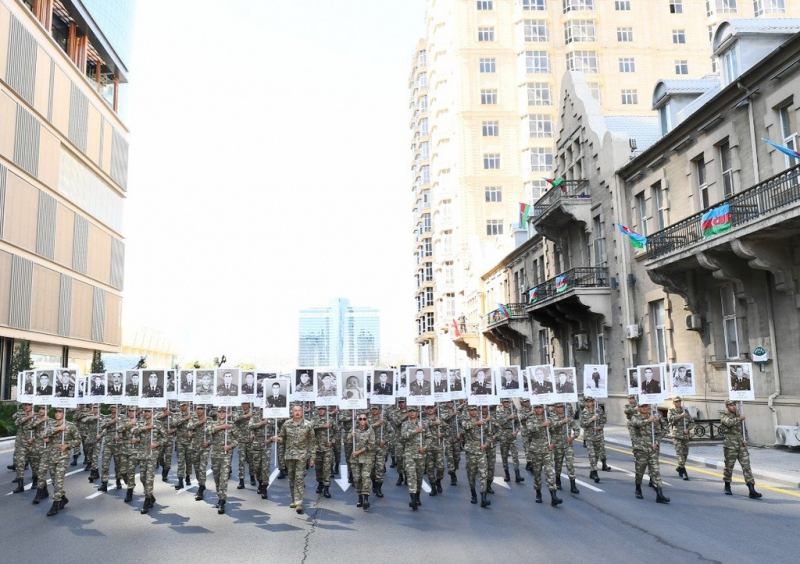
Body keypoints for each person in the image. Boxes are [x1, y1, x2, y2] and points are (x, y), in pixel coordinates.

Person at [41, 406, 81, 516]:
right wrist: (58, 429)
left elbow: (78, 440)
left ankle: (55, 505)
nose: (57, 414)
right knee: (54, 481)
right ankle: (63, 498)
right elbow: (43, 435)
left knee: (58, 481)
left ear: (64, 413)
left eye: (60, 412)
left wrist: (68, 445)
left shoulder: (71, 426)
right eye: (56, 412)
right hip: (51, 456)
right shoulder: (51, 424)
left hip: (63, 457)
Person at [276, 405, 316, 514]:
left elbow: (312, 442)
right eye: (295, 411)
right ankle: (293, 499)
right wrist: (278, 439)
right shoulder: (287, 424)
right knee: (291, 478)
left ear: (302, 412)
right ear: (292, 412)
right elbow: (282, 437)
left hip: (301, 456)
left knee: (299, 478)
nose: (297, 412)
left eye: (299, 411)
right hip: (289, 455)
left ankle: (299, 502)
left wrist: (312, 457)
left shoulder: (308, 424)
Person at [628, 403, 669, 503]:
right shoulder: (635, 417)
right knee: (640, 471)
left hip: (653, 449)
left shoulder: (655, 416)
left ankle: (659, 494)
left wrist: (657, 441)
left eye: (647, 406)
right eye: (643, 406)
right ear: (639, 408)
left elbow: (663, 430)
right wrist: (648, 421)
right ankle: (638, 488)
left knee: (655, 471)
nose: (646, 408)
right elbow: (638, 424)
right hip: (641, 449)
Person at [720, 399, 762, 499]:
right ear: (727, 406)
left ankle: (751, 489)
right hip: (730, 446)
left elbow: (744, 429)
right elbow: (729, 423)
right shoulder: (724, 415)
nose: (734, 406)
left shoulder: (740, 415)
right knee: (729, 467)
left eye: (734, 404)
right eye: (731, 405)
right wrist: (740, 418)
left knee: (746, 466)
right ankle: (727, 486)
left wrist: (745, 439)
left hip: (741, 446)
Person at [525, 404, 562, 507]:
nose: (538, 409)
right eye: (536, 408)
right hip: (536, 450)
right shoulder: (531, 418)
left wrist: (553, 443)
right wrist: (542, 425)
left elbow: (555, 433)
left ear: (543, 408)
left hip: (547, 449)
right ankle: (538, 493)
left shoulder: (548, 418)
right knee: (537, 474)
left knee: (550, 473)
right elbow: (530, 429)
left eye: (540, 407)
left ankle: (554, 497)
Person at [133, 408, 166, 514]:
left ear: (152, 412)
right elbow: (133, 431)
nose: (146, 413)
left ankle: (146, 501)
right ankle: (151, 496)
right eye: (145, 411)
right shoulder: (140, 422)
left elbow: (165, 438)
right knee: (142, 478)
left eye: (148, 411)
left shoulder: (158, 423)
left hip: (152, 455)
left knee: (149, 479)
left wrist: (157, 444)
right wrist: (147, 427)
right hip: (142, 454)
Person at [206, 406, 236, 514]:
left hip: (226, 455)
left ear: (227, 413)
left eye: (224, 411)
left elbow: (238, 439)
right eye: (220, 412)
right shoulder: (213, 423)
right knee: (217, 478)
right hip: (215, 455)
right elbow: (207, 431)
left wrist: (230, 446)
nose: (222, 413)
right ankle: (220, 496)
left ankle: (222, 501)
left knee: (224, 478)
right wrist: (222, 427)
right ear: (217, 413)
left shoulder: (231, 425)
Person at [461, 405, 490, 507]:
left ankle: (483, 497)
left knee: (483, 474)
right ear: (468, 411)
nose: (473, 412)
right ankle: (473, 493)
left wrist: (486, 443)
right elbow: (465, 427)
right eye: (471, 410)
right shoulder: (466, 420)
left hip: (481, 450)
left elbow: (489, 434)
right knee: (471, 474)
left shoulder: (482, 420)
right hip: (470, 451)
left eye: (475, 410)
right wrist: (477, 423)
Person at [549, 404, 580, 494]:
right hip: (557, 445)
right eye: (558, 407)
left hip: (567, 445)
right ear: (555, 408)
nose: (559, 409)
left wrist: (573, 437)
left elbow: (577, 429)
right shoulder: (552, 418)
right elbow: (551, 428)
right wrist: (562, 422)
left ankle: (573, 485)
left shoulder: (569, 418)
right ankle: (558, 480)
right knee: (558, 465)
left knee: (570, 464)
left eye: (561, 407)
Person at [401, 406, 426, 510]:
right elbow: (403, 436)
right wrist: (415, 431)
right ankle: (413, 499)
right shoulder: (405, 424)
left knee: (419, 477)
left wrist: (425, 447)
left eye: (414, 411)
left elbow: (429, 437)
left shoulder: (423, 423)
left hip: (421, 454)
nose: (412, 413)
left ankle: (417, 496)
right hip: (409, 453)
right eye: (410, 411)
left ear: (417, 412)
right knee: (411, 476)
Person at [248, 405, 275, 500]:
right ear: (260, 410)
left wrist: (271, 439)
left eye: (265, 409)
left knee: (265, 467)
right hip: (256, 446)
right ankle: (259, 482)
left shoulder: (272, 419)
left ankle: (264, 487)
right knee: (257, 467)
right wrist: (261, 423)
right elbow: (250, 426)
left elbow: (277, 433)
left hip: (266, 446)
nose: (263, 411)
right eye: (262, 409)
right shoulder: (255, 418)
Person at [580, 397, 609, 482]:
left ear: (593, 402)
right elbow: (582, 424)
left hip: (598, 436)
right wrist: (591, 419)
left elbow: (604, 420)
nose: (588, 403)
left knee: (596, 455)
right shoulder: (584, 412)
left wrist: (599, 427)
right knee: (592, 455)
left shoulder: (598, 410)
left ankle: (592, 472)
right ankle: (595, 473)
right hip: (589, 437)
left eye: (590, 401)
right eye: (587, 402)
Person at [351, 412, 376, 510]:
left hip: (366, 458)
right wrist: (350, 436)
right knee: (357, 479)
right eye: (360, 419)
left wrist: (360, 451)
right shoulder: (353, 429)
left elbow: (372, 445)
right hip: (355, 459)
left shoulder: (370, 430)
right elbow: (347, 441)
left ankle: (366, 498)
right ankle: (360, 497)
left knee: (365, 477)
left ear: (367, 420)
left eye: (364, 419)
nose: (362, 421)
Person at [667, 396, 695, 480]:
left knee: (685, 453)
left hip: (685, 435)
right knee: (680, 454)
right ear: (673, 403)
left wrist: (688, 429)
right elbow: (670, 419)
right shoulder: (671, 411)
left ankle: (680, 467)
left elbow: (692, 422)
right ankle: (684, 472)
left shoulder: (685, 411)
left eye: (679, 401)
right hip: (676, 435)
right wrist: (680, 416)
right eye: (676, 402)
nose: (678, 403)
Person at [496, 398, 524, 483]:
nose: (507, 403)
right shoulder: (499, 412)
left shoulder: (513, 411)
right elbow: (499, 423)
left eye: (508, 402)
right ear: (502, 403)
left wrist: (516, 431)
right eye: (505, 402)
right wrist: (508, 417)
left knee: (515, 455)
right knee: (504, 456)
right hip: (504, 435)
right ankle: (507, 474)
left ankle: (517, 475)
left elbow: (518, 423)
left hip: (512, 435)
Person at [312, 406, 335, 498]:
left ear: (326, 410)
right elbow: (310, 427)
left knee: (327, 468)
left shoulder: (331, 420)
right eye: (319, 409)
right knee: (318, 468)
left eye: (323, 409)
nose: (321, 411)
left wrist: (332, 442)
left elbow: (336, 432)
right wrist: (322, 426)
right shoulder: (314, 419)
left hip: (327, 448)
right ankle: (320, 483)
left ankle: (326, 488)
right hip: (317, 448)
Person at [422, 404, 445, 495]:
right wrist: (434, 423)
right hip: (428, 447)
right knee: (430, 469)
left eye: (431, 408)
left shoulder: (439, 419)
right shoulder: (423, 420)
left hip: (438, 446)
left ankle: (438, 481)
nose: (430, 410)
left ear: (434, 409)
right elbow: (423, 427)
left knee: (440, 468)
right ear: (426, 410)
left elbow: (447, 430)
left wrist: (442, 434)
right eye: (428, 408)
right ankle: (433, 487)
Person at [190, 406, 211, 501]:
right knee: (197, 468)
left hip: (204, 448)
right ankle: (201, 483)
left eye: (201, 408)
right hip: (195, 447)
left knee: (202, 468)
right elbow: (189, 426)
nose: (199, 410)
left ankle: (201, 489)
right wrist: (201, 422)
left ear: (204, 410)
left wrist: (209, 442)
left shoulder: (209, 419)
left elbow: (214, 432)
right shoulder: (193, 418)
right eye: (198, 409)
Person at [171, 402, 194, 490]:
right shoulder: (177, 415)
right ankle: (180, 481)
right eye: (182, 405)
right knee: (181, 461)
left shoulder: (192, 415)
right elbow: (174, 424)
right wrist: (185, 419)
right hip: (180, 441)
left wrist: (193, 433)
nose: (183, 407)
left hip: (189, 441)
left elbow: (197, 426)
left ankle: (188, 475)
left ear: (187, 406)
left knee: (189, 460)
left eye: (185, 405)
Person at [369, 404, 389, 498]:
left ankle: (379, 488)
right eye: (373, 409)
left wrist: (385, 440)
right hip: (371, 448)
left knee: (380, 468)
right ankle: (374, 483)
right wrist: (376, 424)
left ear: (380, 410)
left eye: (376, 409)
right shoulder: (367, 420)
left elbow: (392, 433)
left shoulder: (384, 421)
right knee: (372, 469)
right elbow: (365, 430)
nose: (374, 411)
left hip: (381, 448)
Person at [233, 402, 255, 489]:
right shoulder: (239, 412)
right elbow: (235, 419)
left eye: (246, 403)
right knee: (241, 460)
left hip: (251, 440)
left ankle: (252, 476)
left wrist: (254, 434)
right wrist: (246, 416)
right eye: (243, 403)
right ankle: (241, 480)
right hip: (241, 440)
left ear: (249, 404)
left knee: (251, 460)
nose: (244, 405)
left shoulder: (254, 412)